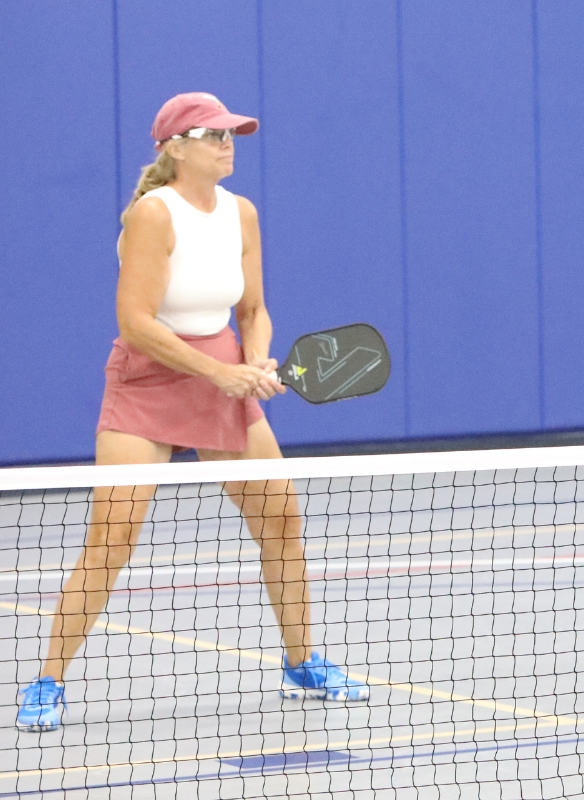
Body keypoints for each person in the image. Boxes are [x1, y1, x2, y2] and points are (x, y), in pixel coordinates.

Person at [16, 93, 368, 732]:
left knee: (280, 520)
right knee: (113, 536)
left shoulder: (243, 213)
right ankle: (46, 681)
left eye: (233, 133)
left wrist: (256, 362)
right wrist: (221, 373)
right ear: (175, 147)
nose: (228, 142)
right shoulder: (153, 215)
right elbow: (136, 322)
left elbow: (253, 310)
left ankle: (301, 664)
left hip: (225, 374)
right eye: (214, 134)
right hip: (150, 380)